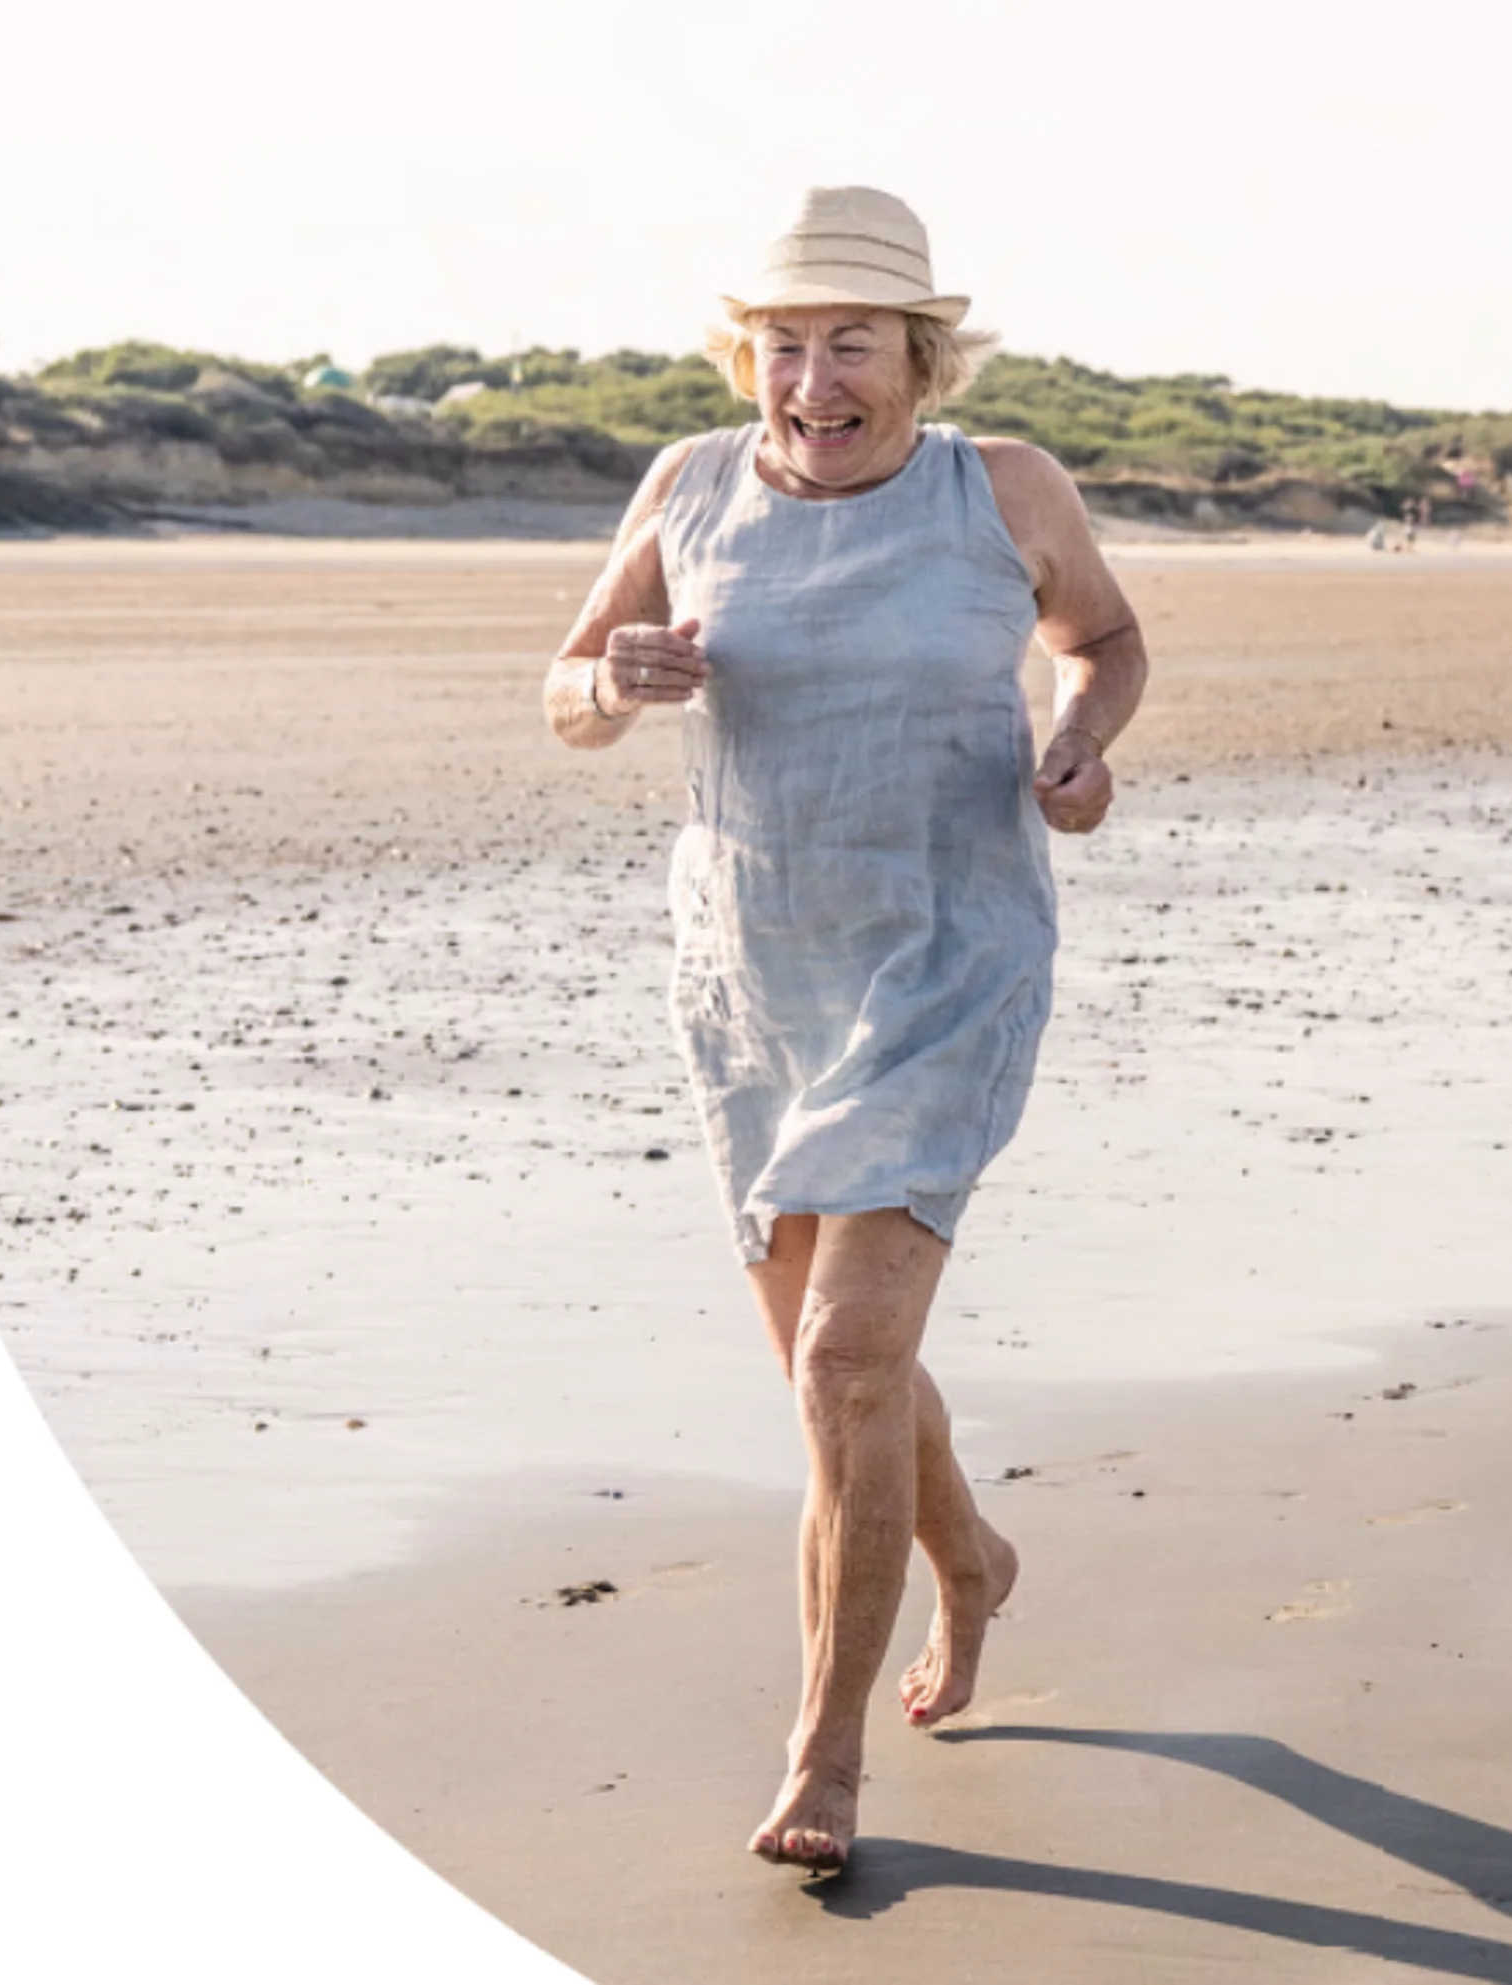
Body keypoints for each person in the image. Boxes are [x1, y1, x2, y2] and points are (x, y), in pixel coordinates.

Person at [536, 186, 1148, 1873]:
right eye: (782, 345)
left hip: (945, 961)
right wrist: (613, 686)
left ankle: (823, 1763)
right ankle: (971, 1559)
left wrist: (1080, 744)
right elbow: (568, 688)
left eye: (849, 344)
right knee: (837, 1380)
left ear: (917, 359)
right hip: (750, 975)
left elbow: (1098, 639)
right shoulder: (687, 483)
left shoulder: (1000, 489)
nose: (810, 380)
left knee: (841, 1361)